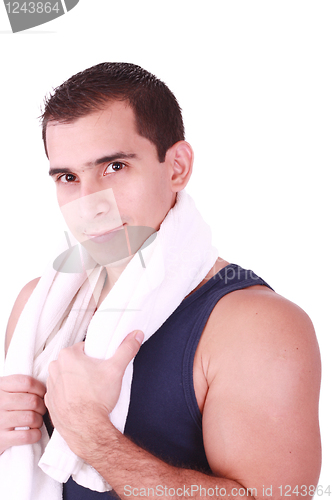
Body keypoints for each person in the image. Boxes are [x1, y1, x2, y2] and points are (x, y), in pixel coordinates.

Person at [0, 63, 321, 499]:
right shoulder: (36, 305)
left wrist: (92, 433)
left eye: (114, 166)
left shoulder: (259, 325)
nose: (90, 204)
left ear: (177, 167)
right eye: (68, 178)